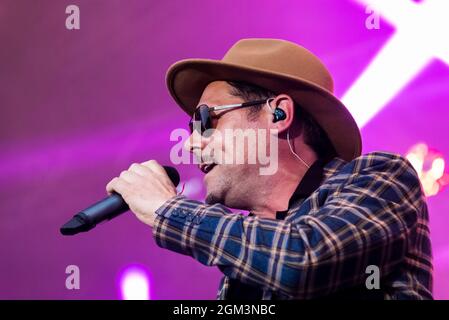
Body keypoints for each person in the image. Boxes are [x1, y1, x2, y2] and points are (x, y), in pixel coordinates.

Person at [106, 38, 433, 299]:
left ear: (278, 115)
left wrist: (168, 210)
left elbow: (304, 261)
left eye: (206, 120)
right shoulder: (243, 266)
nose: (191, 143)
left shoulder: (381, 178)